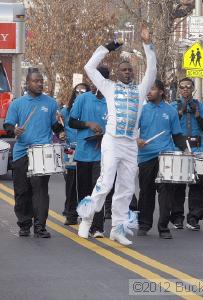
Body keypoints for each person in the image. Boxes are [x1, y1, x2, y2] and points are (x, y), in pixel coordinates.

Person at [77, 24, 157, 245]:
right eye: (123, 70)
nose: (128, 72)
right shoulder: (109, 87)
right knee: (105, 182)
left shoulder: (140, 91)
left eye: (130, 70)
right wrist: (110, 46)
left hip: (130, 144)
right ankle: (87, 218)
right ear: (117, 73)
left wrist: (148, 44)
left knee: (127, 186)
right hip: (111, 141)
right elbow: (89, 67)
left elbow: (152, 71)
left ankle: (118, 229)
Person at [3, 71, 64, 238]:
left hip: (42, 152)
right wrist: (14, 129)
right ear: (28, 83)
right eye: (36, 81)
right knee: (22, 191)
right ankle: (24, 224)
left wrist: (61, 132)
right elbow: (7, 124)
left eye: (41, 81)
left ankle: (40, 227)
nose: (39, 84)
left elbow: (54, 125)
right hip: (22, 151)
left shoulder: (51, 103)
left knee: (40, 191)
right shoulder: (18, 103)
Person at [137, 80, 187, 239]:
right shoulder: (141, 110)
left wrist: (185, 151)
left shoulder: (171, 111)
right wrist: (136, 140)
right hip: (146, 156)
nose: (148, 92)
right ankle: (144, 224)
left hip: (166, 156)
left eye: (152, 89)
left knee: (166, 193)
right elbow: (131, 131)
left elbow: (177, 134)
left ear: (161, 92)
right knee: (146, 192)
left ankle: (163, 227)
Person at [69, 71, 109, 237]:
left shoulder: (110, 100)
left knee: (99, 189)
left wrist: (105, 134)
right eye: (93, 80)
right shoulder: (82, 98)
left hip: (103, 153)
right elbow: (72, 121)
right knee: (85, 190)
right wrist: (88, 124)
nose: (95, 84)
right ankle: (85, 220)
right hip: (84, 152)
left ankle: (98, 226)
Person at [170, 77, 203, 231]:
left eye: (188, 86)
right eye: (182, 87)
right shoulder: (173, 106)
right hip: (179, 149)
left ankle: (194, 217)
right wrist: (180, 112)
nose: (185, 89)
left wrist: (198, 115)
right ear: (179, 89)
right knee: (178, 185)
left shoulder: (201, 106)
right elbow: (170, 126)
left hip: (197, 149)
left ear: (193, 88)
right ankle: (177, 217)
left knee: (197, 185)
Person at [60, 83, 89, 226]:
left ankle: (86, 214)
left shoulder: (89, 109)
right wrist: (60, 133)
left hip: (87, 150)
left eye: (83, 92)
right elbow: (58, 126)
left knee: (86, 184)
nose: (80, 95)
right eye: (77, 92)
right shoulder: (66, 111)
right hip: (70, 150)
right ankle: (71, 214)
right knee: (71, 184)